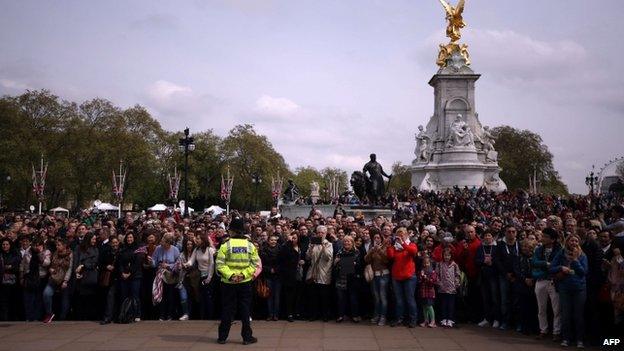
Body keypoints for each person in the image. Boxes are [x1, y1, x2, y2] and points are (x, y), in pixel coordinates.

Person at [215, 216, 259, 345]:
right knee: (245, 310)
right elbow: (255, 265)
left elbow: (220, 264)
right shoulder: (250, 246)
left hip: (228, 283)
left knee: (228, 309)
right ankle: (247, 337)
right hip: (244, 283)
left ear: (232, 231)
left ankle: (222, 337)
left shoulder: (225, 245)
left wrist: (231, 276)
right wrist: (243, 275)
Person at [550, 234, 588, 348]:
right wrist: (561, 268)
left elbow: (584, 272)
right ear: (567, 242)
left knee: (578, 315)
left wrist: (575, 260)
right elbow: (552, 268)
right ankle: (566, 338)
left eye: (576, 241)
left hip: (579, 289)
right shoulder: (561, 253)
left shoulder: (583, 255)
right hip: (565, 288)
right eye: (572, 240)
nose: (574, 243)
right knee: (565, 315)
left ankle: (579, 340)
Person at [531, 228, 562, 341]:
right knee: (541, 308)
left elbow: (557, 265)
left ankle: (556, 332)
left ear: (552, 239)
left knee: (556, 309)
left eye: (545, 236)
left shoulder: (559, 249)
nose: (542, 238)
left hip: (554, 281)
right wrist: (545, 264)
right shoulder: (539, 249)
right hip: (541, 280)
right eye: (542, 236)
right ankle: (543, 330)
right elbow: (534, 262)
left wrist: (549, 267)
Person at [387, 227, 418, 328]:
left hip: (409, 276)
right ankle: (399, 318)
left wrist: (403, 243)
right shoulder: (395, 247)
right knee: (399, 300)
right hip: (397, 276)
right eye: (398, 235)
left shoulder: (411, 244)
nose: (400, 237)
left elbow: (413, 252)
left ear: (406, 235)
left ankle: (413, 319)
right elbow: (390, 256)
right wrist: (389, 245)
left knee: (410, 299)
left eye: (402, 235)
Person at [184, 232, 215, 320]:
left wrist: (209, 277)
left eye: (198, 238)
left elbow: (212, 264)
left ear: (203, 240)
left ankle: (210, 317)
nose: (196, 240)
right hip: (200, 276)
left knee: (208, 298)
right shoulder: (196, 250)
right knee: (201, 297)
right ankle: (202, 317)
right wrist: (186, 264)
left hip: (209, 276)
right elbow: (191, 261)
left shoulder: (210, 250)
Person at [305, 225, 333, 322]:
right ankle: (314, 315)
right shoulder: (312, 243)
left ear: (325, 234)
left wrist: (323, 246)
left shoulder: (328, 244)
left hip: (324, 274)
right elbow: (308, 257)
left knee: (324, 297)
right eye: (318, 232)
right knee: (313, 296)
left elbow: (328, 257)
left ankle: (325, 315)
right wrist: (311, 248)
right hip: (314, 273)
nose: (320, 234)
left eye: (322, 233)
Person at [43, 239, 73, 323]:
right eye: (56, 245)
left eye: (59, 245)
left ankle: (63, 318)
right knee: (46, 294)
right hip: (54, 278)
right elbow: (51, 265)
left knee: (64, 299)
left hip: (64, 279)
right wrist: (51, 269)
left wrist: (65, 281)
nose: (57, 246)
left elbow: (69, 269)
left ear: (64, 245)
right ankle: (49, 313)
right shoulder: (55, 253)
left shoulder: (70, 254)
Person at [151, 233, 180, 321]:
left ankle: (170, 315)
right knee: (161, 295)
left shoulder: (175, 250)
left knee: (170, 296)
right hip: (160, 275)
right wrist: (150, 261)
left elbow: (178, 263)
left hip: (171, 276)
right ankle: (161, 315)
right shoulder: (158, 248)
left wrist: (168, 266)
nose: (161, 243)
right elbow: (154, 262)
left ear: (168, 243)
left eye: (163, 241)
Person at [334, 235, 363, 323]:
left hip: (352, 279)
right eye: (345, 241)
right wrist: (336, 262)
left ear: (352, 242)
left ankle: (354, 315)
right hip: (341, 279)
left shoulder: (357, 252)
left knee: (353, 299)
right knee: (341, 299)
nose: (346, 243)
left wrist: (354, 264)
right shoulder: (339, 252)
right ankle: (340, 315)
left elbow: (360, 266)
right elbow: (335, 265)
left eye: (348, 241)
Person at [364, 232, 390, 326]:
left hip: (384, 275)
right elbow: (366, 260)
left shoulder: (386, 248)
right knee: (376, 298)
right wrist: (371, 251)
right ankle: (376, 315)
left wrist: (379, 251)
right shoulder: (372, 249)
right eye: (375, 238)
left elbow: (387, 260)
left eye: (378, 238)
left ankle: (383, 316)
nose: (376, 239)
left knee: (383, 297)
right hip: (374, 276)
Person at [117, 232, 143, 322]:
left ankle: (137, 314)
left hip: (135, 276)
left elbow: (137, 262)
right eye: (128, 237)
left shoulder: (138, 249)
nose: (129, 239)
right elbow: (120, 262)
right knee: (124, 296)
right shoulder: (123, 249)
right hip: (124, 276)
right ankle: (125, 314)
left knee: (135, 295)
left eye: (131, 237)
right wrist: (122, 273)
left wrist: (130, 273)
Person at [278, 230, 304, 322]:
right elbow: (285, 256)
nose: (293, 240)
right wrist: (288, 242)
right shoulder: (286, 247)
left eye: (295, 238)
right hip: (289, 274)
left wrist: (302, 261)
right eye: (292, 238)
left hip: (299, 274)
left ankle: (296, 312)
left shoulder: (300, 247)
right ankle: (289, 314)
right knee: (289, 296)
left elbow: (303, 257)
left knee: (298, 295)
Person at [475, 230, 499, 328]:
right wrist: (483, 261)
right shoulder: (480, 248)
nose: (488, 237)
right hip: (483, 276)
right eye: (486, 235)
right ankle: (487, 319)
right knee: (486, 299)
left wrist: (492, 263)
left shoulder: (496, 248)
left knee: (495, 299)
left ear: (492, 237)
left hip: (493, 276)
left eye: (489, 235)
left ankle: (496, 319)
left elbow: (499, 260)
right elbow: (476, 260)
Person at [73, 233, 100, 320]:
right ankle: (81, 316)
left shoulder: (95, 249)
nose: (94, 241)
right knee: (80, 297)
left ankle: (90, 315)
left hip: (90, 275)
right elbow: (76, 260)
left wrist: (83, 265)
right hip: (80, 275)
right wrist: (76, 271)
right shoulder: (79, 248)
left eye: (95, 239)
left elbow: (94, 263)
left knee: (90, 297)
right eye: (93, 239)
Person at [437, 247, 461, 328]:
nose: (446, 257)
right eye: (445, 255)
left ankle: (450, 319)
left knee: (451, 304)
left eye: (448, 255)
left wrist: (456, 283)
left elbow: (457, 275)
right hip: (442, 288)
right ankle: (444, 319)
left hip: (452, 288)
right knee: (443, 304)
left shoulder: (454, 265)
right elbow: (436, 274)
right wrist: (439, 282)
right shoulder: (440, 264)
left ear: (451, 256)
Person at [260, 235, 281, 321]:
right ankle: (270, 314)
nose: (273, 242)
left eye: (275, 240)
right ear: (268, 241)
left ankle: (276, 315)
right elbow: (261, 264)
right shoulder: (264, 250)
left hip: (277, 275)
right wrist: (269, 269)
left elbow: (282, 262)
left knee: (277, 296)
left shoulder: (280, 250)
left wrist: (275, 269)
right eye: (271, 240)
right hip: (268, 275)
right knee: (269, 295)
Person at [0, 237, 20, 321]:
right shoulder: (0, 255)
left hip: (13, 281)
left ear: (10, 245)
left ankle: (13, 317)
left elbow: (16, 266)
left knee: (13, 299)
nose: (5, 246)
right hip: (2, 281)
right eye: (3, 244)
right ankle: (4, 317)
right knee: (3, 300)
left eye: (7, 244)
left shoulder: (15, 254)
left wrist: (9, 267)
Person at [418, 256, 438, 328]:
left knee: (429, 306)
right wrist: (421, 276)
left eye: (427, 263)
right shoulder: (422, 270)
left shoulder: (432, 272)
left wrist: (425, 277)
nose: (426, 264)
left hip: (429, 291)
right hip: (423, 291)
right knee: (424, 306)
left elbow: (433, 282)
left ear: (430, 263)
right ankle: (426, 320)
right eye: (424, 263)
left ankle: (433, 321)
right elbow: (419, 281)